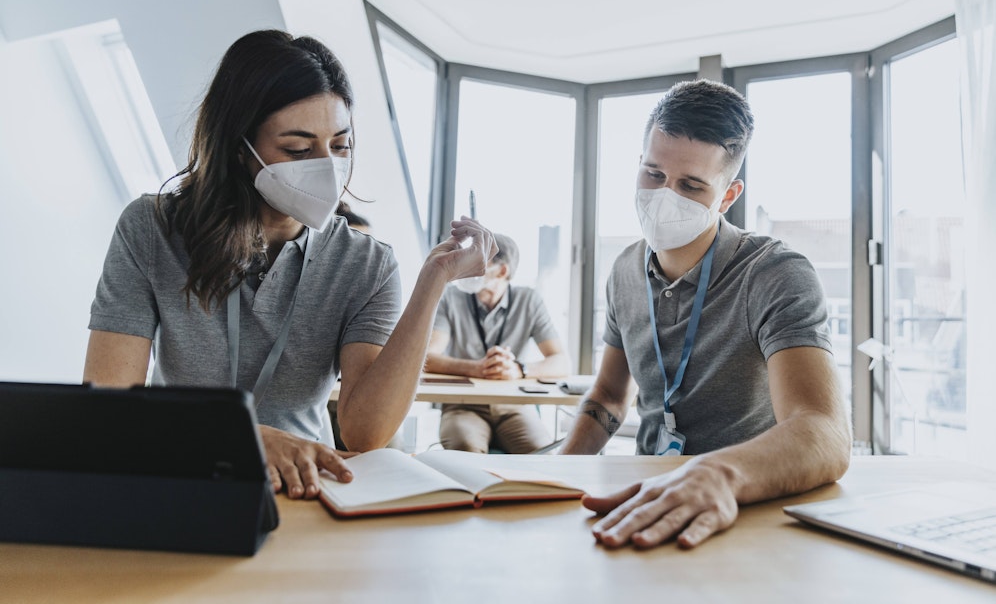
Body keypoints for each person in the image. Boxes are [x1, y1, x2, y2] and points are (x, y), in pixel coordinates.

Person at [83, 29, 496, 500]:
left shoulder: (367, 264)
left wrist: (433, 283)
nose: (326, 167)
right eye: (298, 150)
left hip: (307, 491)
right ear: (241, 149)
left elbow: (366, 433)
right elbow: (108, 403)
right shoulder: (152, 228)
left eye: (340, 146)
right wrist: (246, 439)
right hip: (182, 475)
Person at [560, 79, 851, 549]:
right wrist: (556, 477)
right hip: (646, 500)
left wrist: (717, 473)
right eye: (653, 175)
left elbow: (824, 430)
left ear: (729, 194)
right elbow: (611, 397)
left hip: (745, 502)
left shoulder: (774, 272)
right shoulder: (624, 271)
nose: (664, 196)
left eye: (691, 185)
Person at [424, 233, 569, 453]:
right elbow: (427, 357)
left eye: (477, 262)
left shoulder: (529, 300)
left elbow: (561, 362)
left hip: (514, 406)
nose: (465, 269)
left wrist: (519, 369)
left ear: (502, 271)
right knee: (466, 451)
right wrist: (476, 369)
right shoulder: (451, 298)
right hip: (463, 405)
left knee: (541, 455)